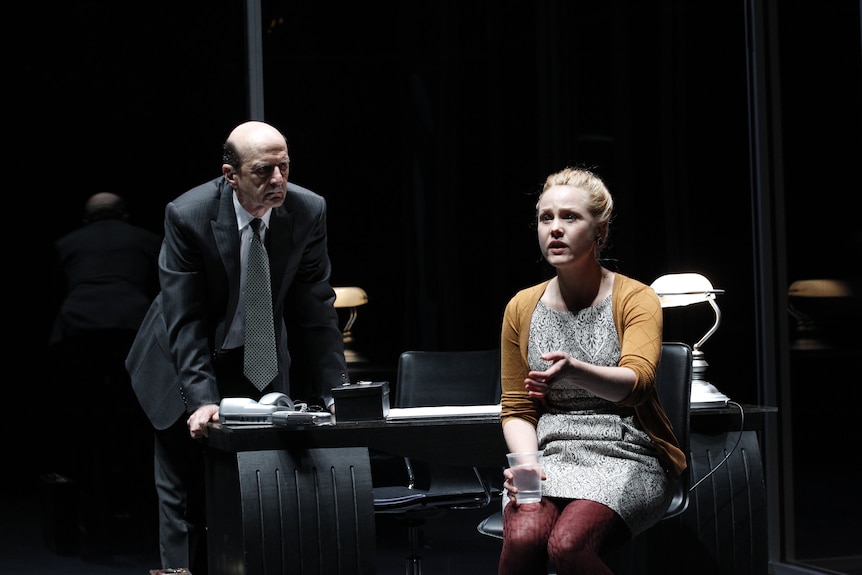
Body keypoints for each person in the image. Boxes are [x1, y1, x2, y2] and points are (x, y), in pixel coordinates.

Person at [126, 120, 350, 574]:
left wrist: (338, 393)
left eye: (284, 168)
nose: (278, 181)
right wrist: (203, 401)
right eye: (264, 171)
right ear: (230, 175)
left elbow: (317, 308)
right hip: (179, 362)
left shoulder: (308, 210)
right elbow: (184, 319)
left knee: (264, 490)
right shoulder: (187, 214)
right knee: (185, 501)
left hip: (258, 358)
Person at [497, 167, 687, 575]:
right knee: (525, 536)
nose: (555, 229)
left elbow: (637, 385)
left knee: (567, 544)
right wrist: (526, 464)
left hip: (626, 453)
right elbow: (516, 407)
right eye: (546, 218)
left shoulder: (636, 297)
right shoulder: (521, 307)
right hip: (550, 454)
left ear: (599, 231)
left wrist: (574, 371)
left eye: (570, 217)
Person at [47, 192, 162, 559]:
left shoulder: (66, 243)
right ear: (124, 215)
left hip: (77, 335)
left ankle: (91, 531)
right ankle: (144, 528)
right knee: (135, 427)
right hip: (131, 329)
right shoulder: (145, 239)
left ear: (86, 218)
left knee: (85, 430)